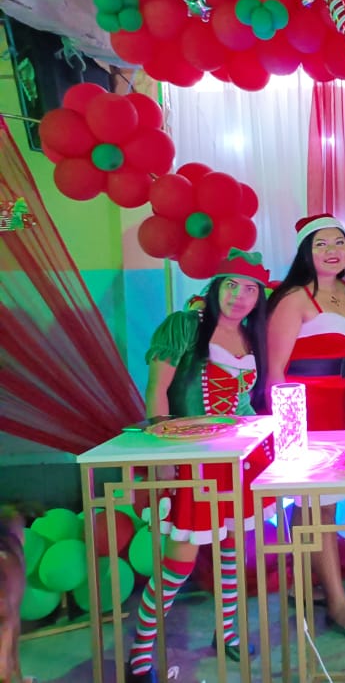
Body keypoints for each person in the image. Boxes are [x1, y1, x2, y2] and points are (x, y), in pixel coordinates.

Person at [127, 249, 270, 683]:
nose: (239, 296)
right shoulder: (185, 326)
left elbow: (243, 405)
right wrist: (164, 458)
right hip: (191, 461)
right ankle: (140, 652)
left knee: (232, 552)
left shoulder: (250, 337)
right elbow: (157, 390)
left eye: (250, 289)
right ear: (215, 287)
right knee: (179, 562)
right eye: (231, 285)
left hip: (236, 461)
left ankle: (226, 632)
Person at [267, 214, 345, 640]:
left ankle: (302, 581)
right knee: (316, 507)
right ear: (305, 252)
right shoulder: (294, 299)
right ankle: (338, 603)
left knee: (322, 506)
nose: (332, 251)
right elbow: (276, 370)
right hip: (303, 414)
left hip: (340, 413)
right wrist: (289, 431)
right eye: (321, 244)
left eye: (339, 243)